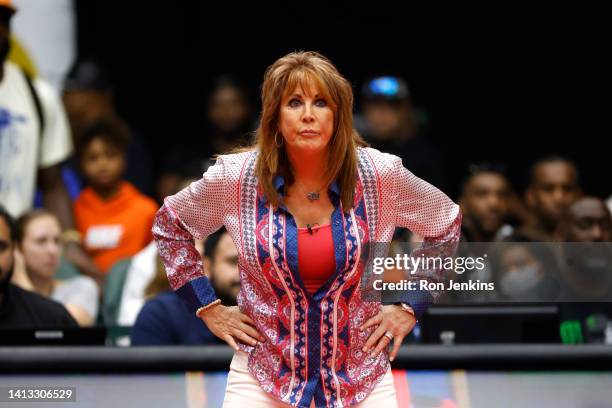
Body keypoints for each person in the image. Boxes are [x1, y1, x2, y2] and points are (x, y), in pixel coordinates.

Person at [153, 51, 461, 407]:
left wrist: (410, 305)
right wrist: (207, 307)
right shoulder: (236, 178)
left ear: (339, 115)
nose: (308, 115)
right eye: (294, 102)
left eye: (321, 103)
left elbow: (445, 223)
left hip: (360, 376)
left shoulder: (380, 175)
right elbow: (170, 225)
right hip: (263, 375)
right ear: (274, 116)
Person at [0, 0, 102, 286]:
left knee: (77, 286)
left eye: (4, 22)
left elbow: (53, 182)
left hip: (15, 244)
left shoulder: (38, 96)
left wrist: (69, 242)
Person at [74, 118, 158, 273]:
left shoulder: (146, 209)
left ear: (124, 158)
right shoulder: (74, 209)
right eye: (93, 158)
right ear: (81, 164)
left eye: (110, 155)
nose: (103, 164)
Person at [131, 228, 237, 345]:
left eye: (257, 262)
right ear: (206, 266)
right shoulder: (162, 313)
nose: (247, 273)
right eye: (234, 261)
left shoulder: (259, 314)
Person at [358, 75, 448, 191]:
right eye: (375, 105)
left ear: (406, 110)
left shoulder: (426, 157)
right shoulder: (355, 151)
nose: (382, 113)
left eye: (392, 106)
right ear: (365, 109)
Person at [11, 209, 99, 326]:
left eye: (57, 241)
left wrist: (22, 279)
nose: (52, 250)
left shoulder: (81, 286)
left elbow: (67, 324)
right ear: (17, 249)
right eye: (41, 241)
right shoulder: (5, 295)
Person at [0, 205, 77, 328]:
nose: (52, 250)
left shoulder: (52, 318)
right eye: (41, 241)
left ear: (14, 250)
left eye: (0, 247)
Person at [517, 155, 582, 241]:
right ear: (531, 196)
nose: (559, 198)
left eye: (567, 189)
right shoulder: (516, 244)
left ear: (579, 194)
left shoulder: (594, 239)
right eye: (548, 189)